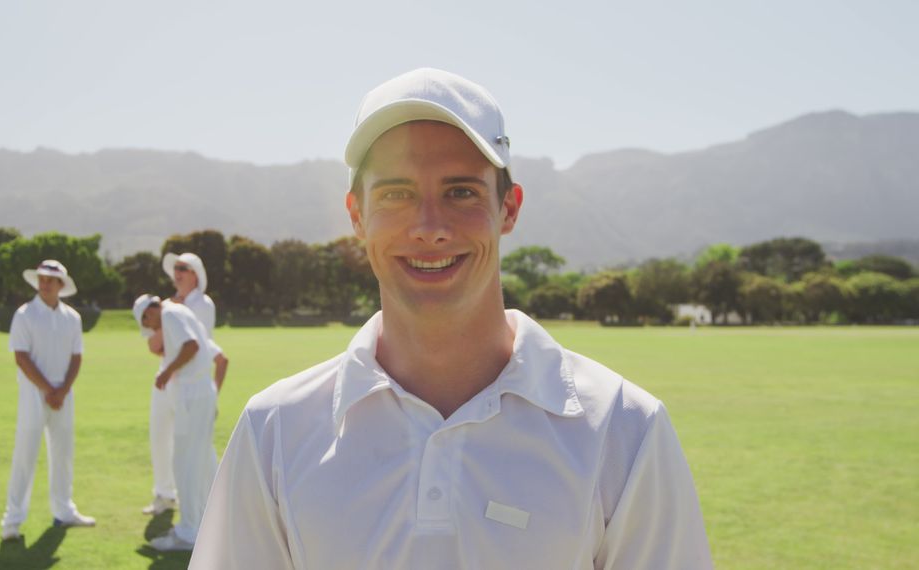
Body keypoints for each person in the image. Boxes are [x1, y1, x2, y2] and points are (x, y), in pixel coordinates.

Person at [191, 68, 713, 568]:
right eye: (397, 194)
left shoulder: (622, 428)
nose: (430, 227)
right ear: (356, 215)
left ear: (509, 209)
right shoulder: (276, 428)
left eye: (460, 192)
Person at [1, 260, 95, 540]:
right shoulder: (25, 314)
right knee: (25, 454)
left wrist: (62, 389)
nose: (45, 284)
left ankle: (64, 510)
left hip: (63, 395)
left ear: (61, 285)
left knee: (63, 454)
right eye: (42, 279)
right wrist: (47, 389)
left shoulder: (72, 318)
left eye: (51, 280)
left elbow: (77, 357)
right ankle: (12, 521)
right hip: (33, 394)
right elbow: (21, 356)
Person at [132, 294, 222, 551]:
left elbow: (191, 346)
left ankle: (189, 531)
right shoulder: (179, 311)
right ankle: (208, 520)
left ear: (149, 312)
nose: (152, 328)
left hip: (192, 395)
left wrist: (167, 370)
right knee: (201, 458)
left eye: (148, 322)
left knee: (185, 462)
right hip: (198, 392)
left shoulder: (169, 314)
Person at [142, 253, 228, 516]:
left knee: (197, 444)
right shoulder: (166, 305)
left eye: (183, 268)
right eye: (175, 268)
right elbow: (154, 344)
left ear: (196, 274)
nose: (177, 273)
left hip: (191, 383)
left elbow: (193, 344)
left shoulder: (203, 304)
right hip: (168, 380)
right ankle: (165, 494)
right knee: (160, 435)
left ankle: (215, 500)